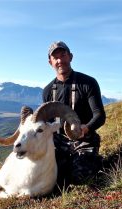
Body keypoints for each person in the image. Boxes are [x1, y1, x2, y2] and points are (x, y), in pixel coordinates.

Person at [43, 41, 106, 187]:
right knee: (49, 175)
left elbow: (99, 115)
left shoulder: (88, 83)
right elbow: (47, 122)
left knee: (81, 177)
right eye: (55, 57)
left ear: (70, 57)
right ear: (50, 62)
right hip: (58, 142)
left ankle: (95, 160)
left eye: (63, 55)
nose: (60, 60)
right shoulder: (47, 91)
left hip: (83, 137)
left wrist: (86, 128)